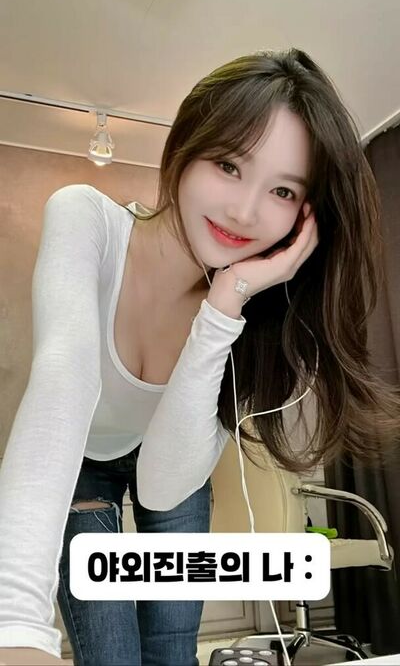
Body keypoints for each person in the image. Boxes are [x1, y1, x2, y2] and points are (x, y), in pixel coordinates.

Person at [0, 47, 399, 666]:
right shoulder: (85, 220)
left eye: (283, 190)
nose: (244, 211)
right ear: (186, 148)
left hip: (173, 460)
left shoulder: (253, 321)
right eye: (228, 164)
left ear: (304, 219)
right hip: (81, 460)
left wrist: (226, 302)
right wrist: (15, 627)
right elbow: (63, 383)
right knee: (111, 654)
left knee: (171, 645)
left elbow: (162, 487)